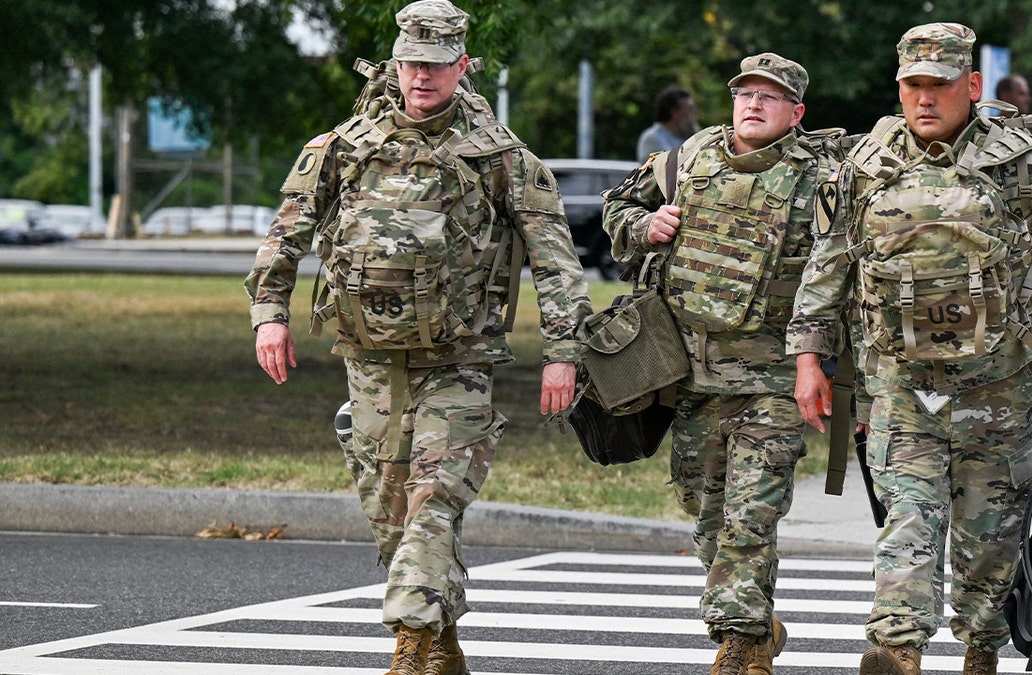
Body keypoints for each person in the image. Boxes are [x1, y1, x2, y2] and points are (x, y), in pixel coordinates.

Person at [244, 2, 591, 674]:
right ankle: (442, 639)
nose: (422, 76)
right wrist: (270, 313)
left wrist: (563, 352)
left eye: (436, 64)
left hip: (460, 361)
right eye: (411, 62)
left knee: (433, 497)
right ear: (395, 63)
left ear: (462, 66)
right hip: (370, 358)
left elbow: (555, 259)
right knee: (390, 508)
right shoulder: (343, 147)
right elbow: (285, 233)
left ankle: (409, 641)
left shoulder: (499, 156)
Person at [788, 23, 1032, 675]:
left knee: (989, 547)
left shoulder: (1017, 163)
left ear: (971, 85)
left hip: (996, 396)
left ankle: (980, 650)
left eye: (939, 84)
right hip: (900, 393)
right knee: (906, 523)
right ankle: (898, 648)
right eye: (912, 84)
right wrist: (808, 357)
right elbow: (829, 263)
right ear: (899, 87)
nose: (924, 98)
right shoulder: (867, 165)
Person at [605, 53, 845, 675]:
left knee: (750, 511)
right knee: (705, 509)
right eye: (746, 94)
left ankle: (739, 647)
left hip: (772, 379)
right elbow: (614, 210)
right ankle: (759, 623)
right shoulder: (685, 161)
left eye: (771, 97)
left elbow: (846, 275)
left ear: (797, 112)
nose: (754, 104)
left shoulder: (824, 179)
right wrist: (644, 225)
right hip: (692, 375)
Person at [636, 84, 700, 162]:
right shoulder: (653, 138)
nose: (695, 112)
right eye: (689, 108)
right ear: (674, 112)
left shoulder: (685, 138)